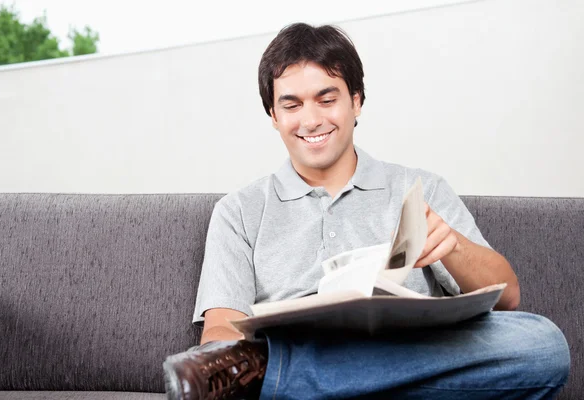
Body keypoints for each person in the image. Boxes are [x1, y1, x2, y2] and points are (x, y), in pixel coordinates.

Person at [163, 23, 570, 400]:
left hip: (395, 355)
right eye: (291, 105)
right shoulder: (238, 212)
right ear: (273, 115)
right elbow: (220, 334)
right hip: (325, 355)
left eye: (327, 99)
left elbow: (508, 298)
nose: (311, 119)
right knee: (245, 359)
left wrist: (453, 248)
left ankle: (299, 376)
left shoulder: (420, 188)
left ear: (356, 102)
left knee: (542, 342)